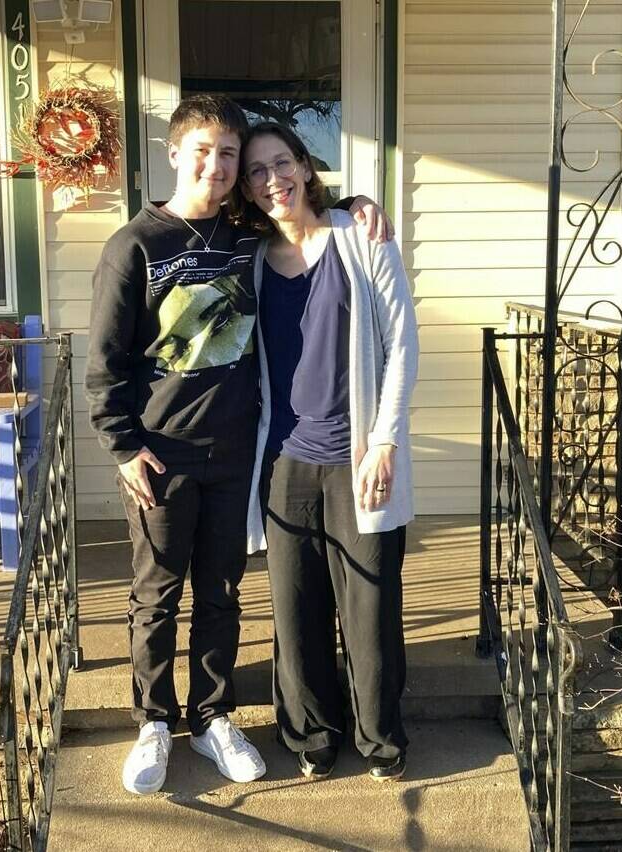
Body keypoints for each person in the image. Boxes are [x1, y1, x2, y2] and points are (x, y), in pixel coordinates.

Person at [85, 95, 391, 795]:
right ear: (174, 154)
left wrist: (362, 201)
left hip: (235, 452)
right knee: (156, 594)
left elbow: (303, 208)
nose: (219, 167)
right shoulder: (135, 245)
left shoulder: (243, 233)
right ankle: (154, 723)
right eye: (204, 151)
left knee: (221, 592)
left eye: (229, 155)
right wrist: (123, 446)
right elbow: (104, 362)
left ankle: (214, 715)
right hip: (160, 454)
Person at [241, 122, 418, 783]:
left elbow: (402, 343)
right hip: (284, 460)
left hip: (358, 457)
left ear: (306, 167)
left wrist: (386, 441)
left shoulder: (359, 237)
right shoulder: (253, 259)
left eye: (280, 163)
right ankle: (313, 736)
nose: (271, 180)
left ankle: (381, 740)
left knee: (369, 612)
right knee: (296, 607)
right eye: (256, 171)